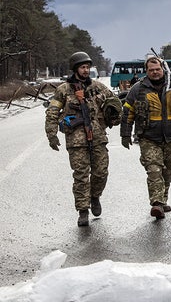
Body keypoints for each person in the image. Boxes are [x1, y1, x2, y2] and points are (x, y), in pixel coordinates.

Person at [45, 51, 122, 227]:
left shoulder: (97, 86)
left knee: (101, 172)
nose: (86, 70)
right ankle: (83, 210)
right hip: (76, 139)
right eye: (83, 67)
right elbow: (52, 112)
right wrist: (51, 134)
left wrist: (114, 116)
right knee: (80, 176)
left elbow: (114, 102)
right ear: (75, 69)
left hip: (97, 136)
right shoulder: (63, 90)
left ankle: (95, 196)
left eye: (88, 67)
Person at [120, 56, 171, 219]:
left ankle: (163, 200)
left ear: (162, 69)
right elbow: (128, 111)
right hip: (148, 137)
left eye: (157, 69)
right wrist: (125, 133)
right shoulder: (138, 89)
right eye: (151, 70)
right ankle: (156, 203)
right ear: (146, 71)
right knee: (154, 170)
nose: (155, 72)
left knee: (167, 171)